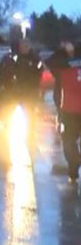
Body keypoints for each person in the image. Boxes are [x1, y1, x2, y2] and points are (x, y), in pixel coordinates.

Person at [46, 38, 81, 180]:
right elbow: (50, 62)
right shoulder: (61, 66)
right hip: (67, 108)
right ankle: (74, 167)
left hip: (71, 108)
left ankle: (75, 163)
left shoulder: (63, 65)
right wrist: (64, 51)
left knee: (68, 140)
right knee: (68, 140)